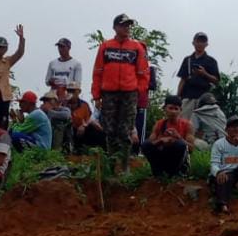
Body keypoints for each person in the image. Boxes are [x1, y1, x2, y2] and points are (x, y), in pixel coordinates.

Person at [91, 13, 150, 172]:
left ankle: (124, 168)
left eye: (128, 25)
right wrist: (96, 95)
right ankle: (110, 166)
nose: (127, 28)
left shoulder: (137, 47)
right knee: (109, 130)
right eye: (123, 25)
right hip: (108, 93)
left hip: (129, 93)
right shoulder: (105, 46)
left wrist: (138, 91)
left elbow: (144, 73)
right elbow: (97, 71)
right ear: (115, 27)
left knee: (125, 131)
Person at [142, 94, 196, 178]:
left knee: (180, 144)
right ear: (165, 109)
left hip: (178, 161)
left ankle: (176, 173)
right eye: (170, 108)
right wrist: (161, 140)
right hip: (162, 156)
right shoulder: (159, 124)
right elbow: (150, 143)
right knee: (145, 144)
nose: (173, 111)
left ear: (180, 110)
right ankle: (158, 173)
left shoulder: (187, 125)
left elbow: (191, 148)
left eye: (176, 109)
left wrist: (178, 137)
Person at [177, 32, 220, 120]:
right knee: (184, 122)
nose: (200, 44)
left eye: (202, 42)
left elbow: (216, 80)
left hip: (204, 99)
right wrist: (177, 97)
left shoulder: (211, 61)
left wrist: (204, 73)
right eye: (198, 41)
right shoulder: (187, 60)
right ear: (193, 43)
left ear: (206, 44)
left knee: (201, 126)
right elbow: (183, 79)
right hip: (188, 97)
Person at [67, 84, 106, 151]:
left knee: (96, 129)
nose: (71, 93)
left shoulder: (84, 105)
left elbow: (89, 119)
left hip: (82, 129)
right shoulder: (64, 104)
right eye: (69, 91)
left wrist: (83, 126)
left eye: (73, 91)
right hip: (69, 128)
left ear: (78, 92)